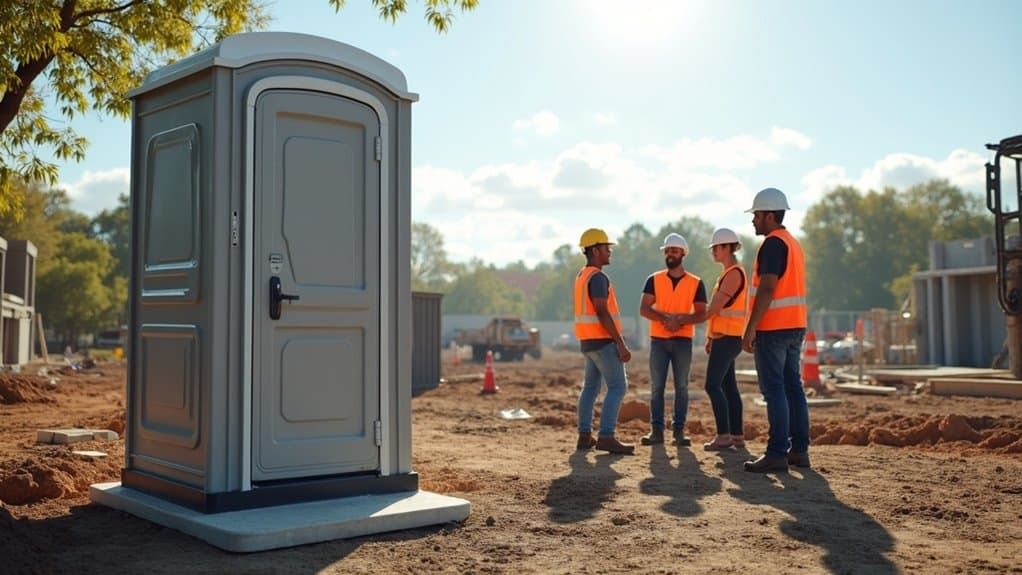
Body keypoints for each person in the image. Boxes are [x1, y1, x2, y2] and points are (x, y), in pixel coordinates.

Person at [741, 187, 811, 472]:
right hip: (795, 325)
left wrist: (750, 328)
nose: (753, 221)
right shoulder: (792, 243)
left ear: (770, 215)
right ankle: (799, 451)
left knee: (775, 390)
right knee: (793, 388)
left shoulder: (771, 244)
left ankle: (777, 453)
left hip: (774, 328)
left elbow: (768, 288)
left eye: (756, 215)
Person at [638, 233, 707, 447]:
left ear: (683, 254)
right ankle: (656, 431)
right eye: (667, 251)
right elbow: (644, 309)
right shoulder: (654, 279)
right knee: (657, 387)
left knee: (682, 387)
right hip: (658, 340)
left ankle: (678, 432)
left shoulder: (696, 283)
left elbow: (702, 313)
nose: (670, 254)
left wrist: (682, 322)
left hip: (683, 341)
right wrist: (666, 319)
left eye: (674, 251)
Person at [574, 228, 635, 454]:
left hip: (588, 342)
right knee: (618, 386)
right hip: (602, 342)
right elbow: (601, 310)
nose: (610, 251)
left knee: (590, 388)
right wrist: (620, 342)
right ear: (595, 250)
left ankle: (584, 435)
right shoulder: (598, 277)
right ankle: (606, 436)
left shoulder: (582, 275)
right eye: (606, 248)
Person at [701, 228, 748, 451]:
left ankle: (724, 436)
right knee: (729, 387)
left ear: (728, 248)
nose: (713, 251)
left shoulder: (734, 274)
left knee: (712, 385)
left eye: (716, 247)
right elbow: (718, 312)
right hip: (725, 337)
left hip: (729, 338)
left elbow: (714, 308)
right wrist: (711, 336)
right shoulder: (728, 274)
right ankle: (737, 436)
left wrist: (685, 318)